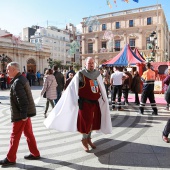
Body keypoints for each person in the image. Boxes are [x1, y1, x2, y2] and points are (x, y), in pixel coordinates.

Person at [44, 57, 112, 152]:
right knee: (85, 123)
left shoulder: (97, 74)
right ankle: (84, 140)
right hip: (84, 103)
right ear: (85, 64)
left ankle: (89, 139)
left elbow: (100, 87)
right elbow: (72, 88)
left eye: (92, 63)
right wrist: (74, 101)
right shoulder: (80, 74)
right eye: (89, 63)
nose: (91, 64)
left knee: (93, 122)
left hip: (95, 103)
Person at [0, 62, 40, 167]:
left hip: (21, 114)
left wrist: (23, 116)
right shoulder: (21, 79)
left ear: (14, 70)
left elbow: (23, 100)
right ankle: (35, 153)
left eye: (8, 69)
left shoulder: (17, 82)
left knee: (15, 135)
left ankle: (10, 158)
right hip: (25, 113)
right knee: (28, 133)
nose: (6, 71)